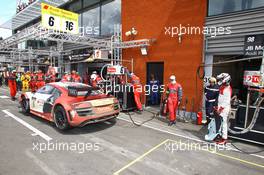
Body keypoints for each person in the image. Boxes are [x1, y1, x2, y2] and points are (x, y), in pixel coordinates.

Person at [214, 73, 232, 144]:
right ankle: (221, 137)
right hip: (220, 108)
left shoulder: (227, 89)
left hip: (224, 109)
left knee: (224, 124)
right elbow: (220, 98)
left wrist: (220, 109)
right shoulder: (222, 87)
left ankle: (224, 139)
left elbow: (226, 101)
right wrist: (216, 106)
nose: (220, 81)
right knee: (221, 124)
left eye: (221, 79)